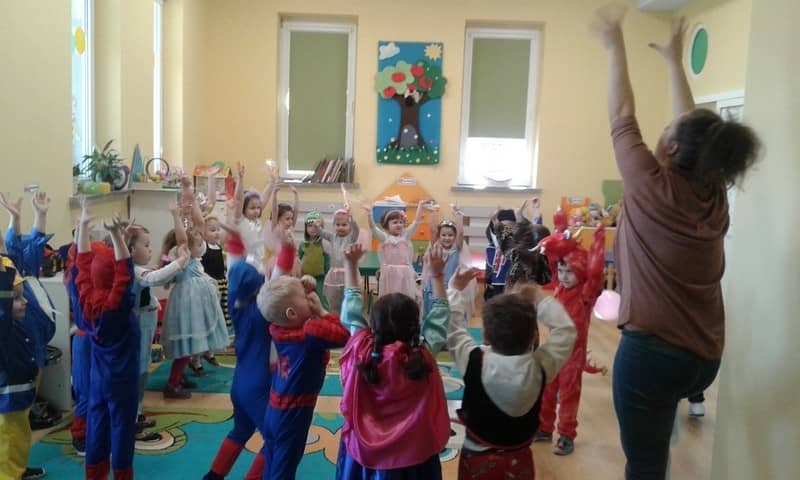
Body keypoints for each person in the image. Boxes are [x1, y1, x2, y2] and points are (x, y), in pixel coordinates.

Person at [592, 6, 760, 478]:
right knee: (653, 450)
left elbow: (622, 114)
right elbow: (688, 124)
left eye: (666, 131)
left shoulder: (652, 186)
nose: (664, 128)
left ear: (669, 149)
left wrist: (614, 42)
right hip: (704, 359)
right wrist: (673, 61)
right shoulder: (714, 192)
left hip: (653, 356)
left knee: (645, 466)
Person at [336, 242, 451, 479]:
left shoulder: (362, 350)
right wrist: (438, 275)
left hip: (366, 457)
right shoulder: (421, 355)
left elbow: (352, 313)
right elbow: (439, 318)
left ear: (373, 325)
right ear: (415, 327)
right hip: (414, 455)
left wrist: (350, 265)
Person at [447, 270, 576, 479]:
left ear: (485, 335)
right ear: (533, 338)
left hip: (476, 464)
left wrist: (454, 289)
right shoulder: (540, 367)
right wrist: (540, 299)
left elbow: (453, 329)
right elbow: (566, 330)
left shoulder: (473, 361)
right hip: (519, 464)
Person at [257, 240, 350, 479]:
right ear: (292, 313)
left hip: (274, 409)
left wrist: (301, 287)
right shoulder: (310, 333)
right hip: (294, 413)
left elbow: (287, 303)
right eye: (304, 296)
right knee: (284, 469)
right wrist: (321, 311)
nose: (310, 297)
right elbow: (344, 334)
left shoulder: (277, 328)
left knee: (272, 460)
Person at [75, 202, 140, 480]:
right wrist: (115, 235)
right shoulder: (116, 306)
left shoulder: (87, 298)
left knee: (97, 425)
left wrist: (84, 226)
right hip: (122, 380)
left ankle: (94, 475)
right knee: (122, 430)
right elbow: (125, 273)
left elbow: (82, 263)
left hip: (99, 379)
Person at [533, 225, 606, 455]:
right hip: (554, 352)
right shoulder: (559, 289)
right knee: (547, 390)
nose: (564, 276)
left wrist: (598, 242)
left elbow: (595, 275)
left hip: (573, 356)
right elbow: (553, 255)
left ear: (581, 272)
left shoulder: (585, 294)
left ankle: (566, 435)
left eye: (570, 272)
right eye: (561, 270)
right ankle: (544, 428)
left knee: (568, 396)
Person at [160, 204, 229, 399]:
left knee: (189, 346)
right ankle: (172, 384)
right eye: (198, 245)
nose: (202, 247)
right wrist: (176, 216)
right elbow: (183, 239)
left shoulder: (195, 260)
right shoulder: (185, 257)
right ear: (187, 248)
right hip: (188, 307)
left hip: (195, 306)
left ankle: (179, 377)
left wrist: (189, 213)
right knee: (186, 347)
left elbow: (196, 228)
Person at [0, 240, 56, 480]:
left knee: (20, 438)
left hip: (19, 400)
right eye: (16, 299)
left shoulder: (15, 325)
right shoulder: (3, 327)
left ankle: (18, 468)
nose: (25, 302)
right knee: (9, 442)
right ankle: (9, 474)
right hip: (8, 402)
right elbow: (2, 306)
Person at [363, 200, 429, 300]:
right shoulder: (385, 238)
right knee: (389, 297)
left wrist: (420, 205)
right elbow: (373, 228)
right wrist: (369, 213)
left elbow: (416, 222)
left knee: (404, 297)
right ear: (386, 225)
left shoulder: (405, 237)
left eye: (401, 222)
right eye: (395, 222)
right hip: (389, 274)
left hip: (404, 274)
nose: (399, 225)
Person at [298, 211, 331, 309]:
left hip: (321, 278)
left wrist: (327, 274)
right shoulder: (303, 244)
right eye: (309, 226)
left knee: (321, 298)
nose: (313, 228)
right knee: (306, 297)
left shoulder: (323, 244)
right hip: (306, 278)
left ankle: (324, 314)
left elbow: (327, 260)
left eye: (316, 226)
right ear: (305, 228)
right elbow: (300, 259)